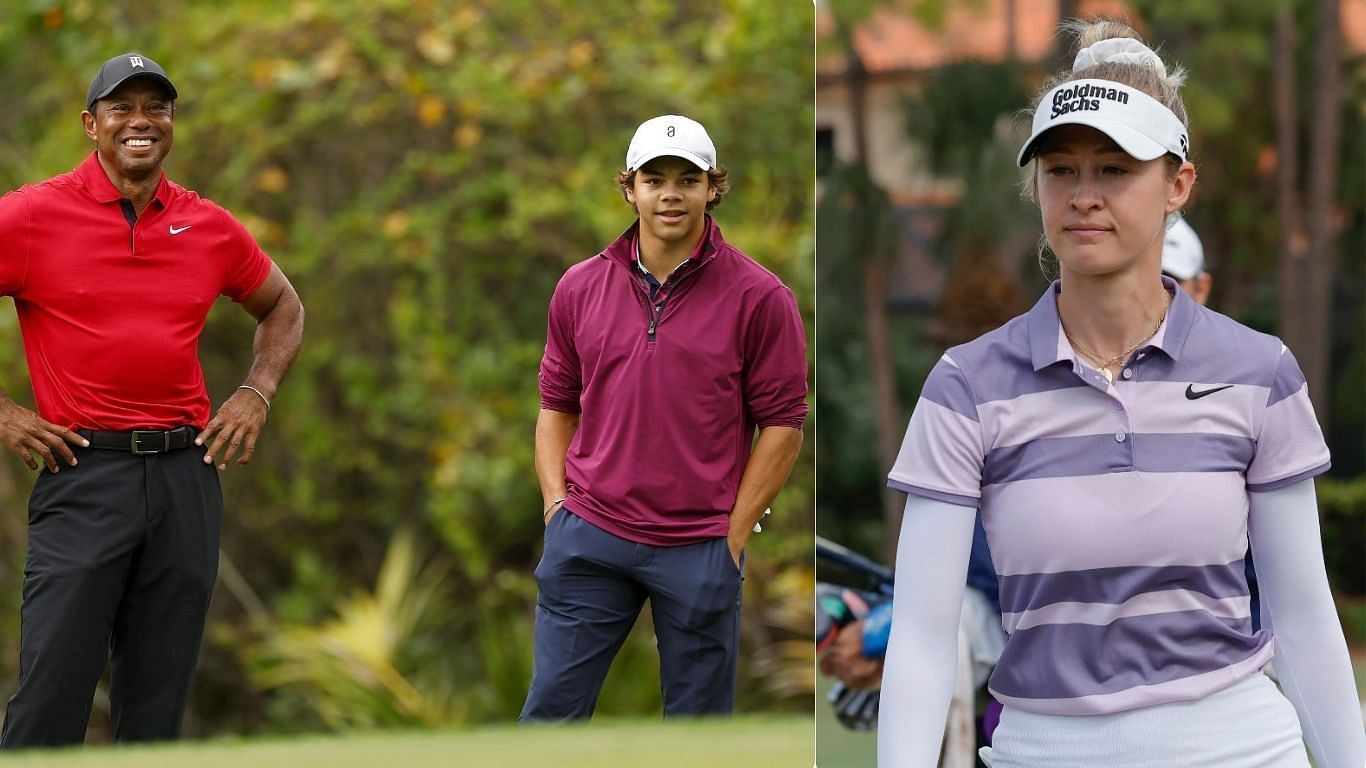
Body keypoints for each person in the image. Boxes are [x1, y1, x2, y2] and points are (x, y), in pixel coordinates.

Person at [878, 21, 1364, 768]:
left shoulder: (1260, 372)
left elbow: (1302, 619)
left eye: (1114, 170)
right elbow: (920, 635)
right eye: (1061, 171)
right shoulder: (965, 386)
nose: (1083, 197)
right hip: (1043, 750)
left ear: (1178, 185)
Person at [0, 53, 304, 747]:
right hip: (84, 475)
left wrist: (256, 392)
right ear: (91, 124)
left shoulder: (209, 226)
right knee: (52, 690)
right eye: (122, 108)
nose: (141, 122)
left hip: (184, 476)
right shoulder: (31, 216)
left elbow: (284, 306)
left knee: (157, 703)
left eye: (156, 108)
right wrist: (6, 414)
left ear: (171, 122)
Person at [521, 115, 807, 720]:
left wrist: (731, 535)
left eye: (688, 179)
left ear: (712, 188)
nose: (671, 193)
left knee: (700, 740)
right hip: (591, 535)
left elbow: (782, 426)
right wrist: (555, 507)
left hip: (699, 546)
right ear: (630, 189)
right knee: (549, 720)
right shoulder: (579, 287)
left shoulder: (761, 297)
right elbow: (556, 406)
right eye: (655, 179)